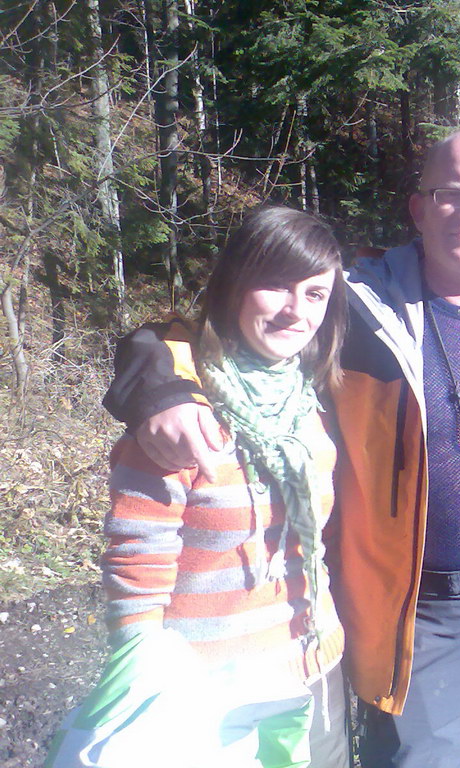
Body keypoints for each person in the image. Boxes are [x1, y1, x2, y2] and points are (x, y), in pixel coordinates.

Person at [101, 127, 460, 768]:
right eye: (452, 193)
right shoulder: (355, 310)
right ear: (418, 208)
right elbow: (205, 331)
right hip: (423, 619)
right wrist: (159, 388)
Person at [50, 206, 349, 768]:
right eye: (275, 286)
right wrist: (145, 698)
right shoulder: (178, 420)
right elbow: (137, 577)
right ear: (235, 283)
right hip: (208, 698)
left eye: (315, 294)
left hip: (313, 675)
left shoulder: (313, 406)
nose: (295, 311)